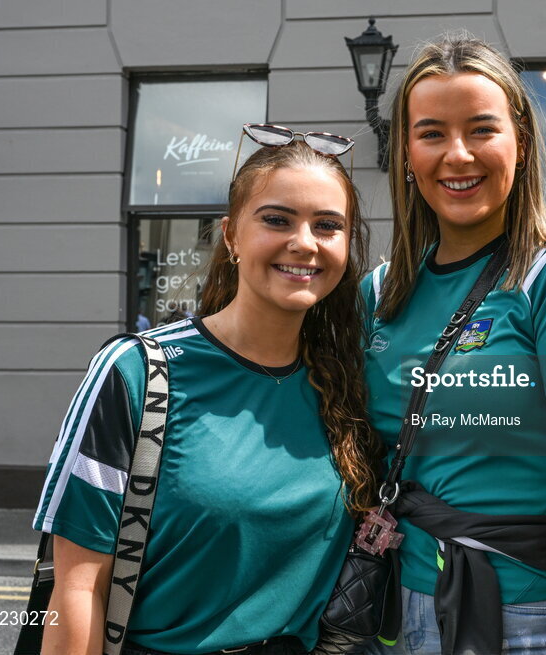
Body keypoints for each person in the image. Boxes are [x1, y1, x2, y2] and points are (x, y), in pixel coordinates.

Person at [32, 137, 380, 655]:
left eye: (327, 225)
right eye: (277, 220)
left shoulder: (348, 379)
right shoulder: (139, 372)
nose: (305, 242)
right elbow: (79, 588)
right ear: (232, 236)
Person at [361, 36, 546, 655]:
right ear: (406, 151)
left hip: (527, 619)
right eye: (431, 133)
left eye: (481, 130)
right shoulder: (376, 294)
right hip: (394, 615)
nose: (457, 156)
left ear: (519, 140)